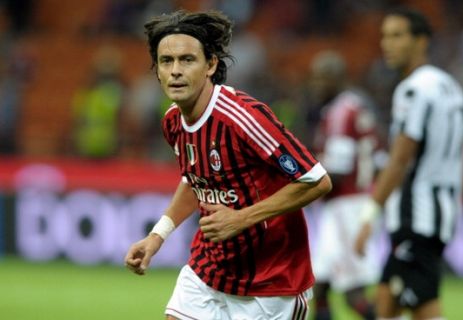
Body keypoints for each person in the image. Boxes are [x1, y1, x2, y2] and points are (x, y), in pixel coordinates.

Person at [124, 10, 332, 320]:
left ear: (210, 65)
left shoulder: (243, 117)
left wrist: (242, 218)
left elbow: (316, 180)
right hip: (210, 270)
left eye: (187, 60)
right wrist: (157, 237)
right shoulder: (173, 122)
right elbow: (196, 182)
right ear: (156, 70)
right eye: (166, 61)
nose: (176, 71)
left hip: (271, 281)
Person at [354, 8, 463, 320]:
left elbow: (400, 160)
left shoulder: (413, 90)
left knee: (411, 305)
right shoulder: (451, 89)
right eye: (385, 36)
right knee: (390, 302)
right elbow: (462, 161)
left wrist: (370, 214)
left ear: (421, 41)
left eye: (397, 35)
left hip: (415, 215)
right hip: (441, 216)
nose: (387, 44)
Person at [307, 51, 383, 320]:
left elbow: (336, 171)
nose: (316, 84)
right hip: (347, 205)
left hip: (346, 206)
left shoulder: (340, 112)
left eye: (323, 78)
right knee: (320, 287)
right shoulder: (354, 106)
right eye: (314, 78)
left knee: (354, 295)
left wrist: (298, 181)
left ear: (339, 79)